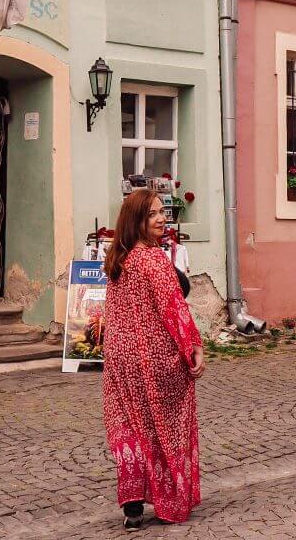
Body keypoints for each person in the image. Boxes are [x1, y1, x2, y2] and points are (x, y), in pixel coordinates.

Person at [103, 188, 204, 530]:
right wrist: (193, 347)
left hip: (120, 358)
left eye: (163, 212)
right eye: (153, 214)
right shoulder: (153, 260)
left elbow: (113, 314)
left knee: (130, 428)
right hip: (154, 357)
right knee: (164, 427)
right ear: (137, 221)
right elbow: (174, 310)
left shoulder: (118, 260)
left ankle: (132, 508)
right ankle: (170, 499)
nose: (162, 219)